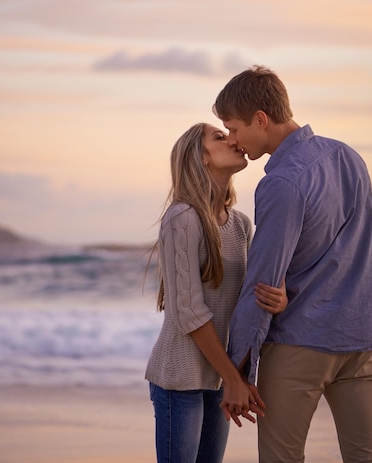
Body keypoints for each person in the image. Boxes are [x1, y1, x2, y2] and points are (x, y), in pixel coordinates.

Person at [213, 65, 372, 463]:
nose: (235, 140)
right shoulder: (349, 157)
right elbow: (357, 253)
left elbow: (263, 279)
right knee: (369, 458)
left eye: (234, 128)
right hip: (363, 336)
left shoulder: (281, 181)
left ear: (261, 119)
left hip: (300, 344)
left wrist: (238, 369)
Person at [145, 122, 288, 463]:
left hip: (218, 377)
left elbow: (250, 298)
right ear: (201, 158)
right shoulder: (182, 218)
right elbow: (189, 312)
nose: (233, 141)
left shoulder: (240, 224)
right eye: (219, 138)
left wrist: (280, 299)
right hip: (180, 378)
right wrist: (232, 378)